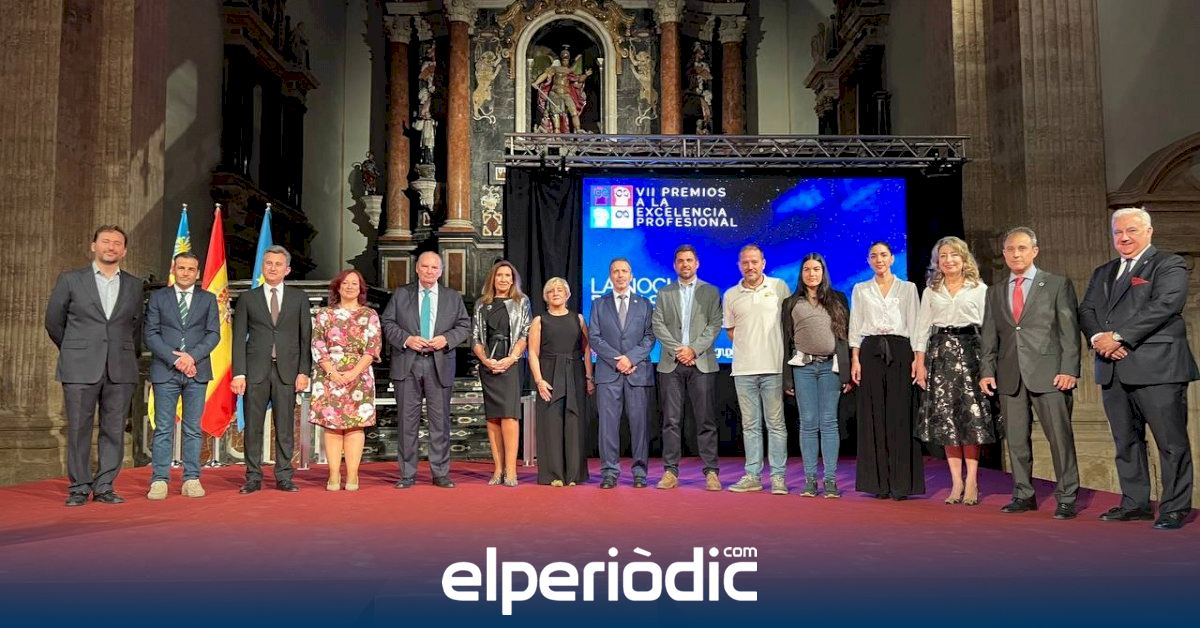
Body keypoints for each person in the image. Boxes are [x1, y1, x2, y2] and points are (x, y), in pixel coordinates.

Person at [1079, 207, 1198, 530]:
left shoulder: (1168, 264)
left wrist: (1118, 337)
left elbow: (1165, 305)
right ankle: (1135, 504)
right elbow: (1086, 310)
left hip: (1157, 368)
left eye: (1131, 230)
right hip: (1112, 368)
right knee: (1126, 442)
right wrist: (1098, 338)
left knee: (1170, 443)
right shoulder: (1103, 271)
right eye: (1118, 232)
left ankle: (1175, 508)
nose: (1124, 237)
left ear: (1148, 232)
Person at [979, 227, 1081, 519]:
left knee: (1059, 439)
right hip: (1010, 375)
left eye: (1022, 248)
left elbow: (1069, 331)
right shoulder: (995, 291)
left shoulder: (1057, 284)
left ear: (1035, 251)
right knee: (1016, 440)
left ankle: (1067, 497)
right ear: (1004, 254)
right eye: (1010, 249)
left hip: (1050, 375)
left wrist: (1069, 369)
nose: (1016, 254)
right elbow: (990, 336)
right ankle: (1023, 494)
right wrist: (987, 370)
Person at [45, 225, 144, 507]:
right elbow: (53, 321)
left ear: (124, 251)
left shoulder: (134, 285)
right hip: (79, 367)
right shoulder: (71, 279)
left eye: (117, 243)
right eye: (105, 241)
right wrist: (75, 349)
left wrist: (124, 352)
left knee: (114, 429)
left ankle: (104, 486)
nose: (111, 247)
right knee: (79, 428)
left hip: (120, 367)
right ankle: (78, 487)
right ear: (93, 246)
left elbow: (137, 325)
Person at [913, 236, 997, 506]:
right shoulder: (931, 290)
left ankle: (971, 481)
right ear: (937, 261)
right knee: (947, 420)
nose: (949, 260)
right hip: (940, 355)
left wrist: (989, 364)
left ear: (964, 259)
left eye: (954, 255)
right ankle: (956, 482)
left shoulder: (978, 288)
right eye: (943, 256)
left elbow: (989, 329)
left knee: (969, 420)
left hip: (971, 352)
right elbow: (922, 329)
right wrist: (919, 363)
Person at [380, 251, 471, 489]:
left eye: (434, 267)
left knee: (439, 422)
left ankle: (440, 473)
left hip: (439, 364)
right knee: (407, 422)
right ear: (417, 268)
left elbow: (464, 326)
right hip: (407, 363)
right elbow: (387, 323)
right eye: (425, 266)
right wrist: (407, 339)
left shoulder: (452, 297)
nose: (430, 271)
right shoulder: (401, 294)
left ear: (441, 271)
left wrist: (447, 339)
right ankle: (407, 474)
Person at [231, 245, 312, 494]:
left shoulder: (299, 298)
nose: (273, 268)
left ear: (287, 269)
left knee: (285, 427)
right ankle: (253, 477)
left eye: (278, 264)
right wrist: (239, 373)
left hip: (287, 371)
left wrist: (304, 371)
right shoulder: (248, 298)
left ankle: (284, 475)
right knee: (253, 427)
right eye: (268, 263)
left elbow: (305, 338)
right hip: (255, 370)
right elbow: (238, 338)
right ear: (262, 267)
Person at [849, 241, 924, 500]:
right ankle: (878, 484)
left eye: (883, 255)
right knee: (874, 417)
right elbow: (855, 325)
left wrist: (917, 358)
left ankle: (901, 484)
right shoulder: (860, 289)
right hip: (870, 352)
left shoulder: (908, 288)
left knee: (899, 416)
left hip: (900, 351)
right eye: (874, 256)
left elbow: (916, 324)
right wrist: (855, 359)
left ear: (892, 259)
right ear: (868, 260)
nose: (879, 260)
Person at [144, 252, 220, 500]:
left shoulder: (208, 299)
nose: (186, 272)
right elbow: (151, 334)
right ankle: (159, 480)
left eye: (191, 269)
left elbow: (213, 334)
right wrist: (176, 359)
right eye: (181, 268)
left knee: (193, 428)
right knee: (163, 428)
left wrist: (191, 358)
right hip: (165, 370)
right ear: (173, 269)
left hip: (197, 371)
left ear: (198, 273)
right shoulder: (158, 297)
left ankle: (191, 478)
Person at [652, 245, 723, 491]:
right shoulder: (664, 293)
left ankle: (711, 472)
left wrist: (693, 350)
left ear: (697, 263)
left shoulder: (711, 291)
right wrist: (679, 351)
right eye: (681, 260)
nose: (685, 264)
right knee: (671, 421)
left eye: (689, 260)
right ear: (675, 265)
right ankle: (670, 471)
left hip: (701, 363)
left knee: (705, 420)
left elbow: (715, 325)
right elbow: (658, 325)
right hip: (671, 365)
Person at [782, 253, 852, 498]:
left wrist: (846, 374)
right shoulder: (791, 303)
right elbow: (785, 341)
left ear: (823, 272)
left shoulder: (838, 299)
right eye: (807, 269)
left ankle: (830, 480)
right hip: (803, 368)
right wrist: (787, 378)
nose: (811, 274)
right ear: (801, 274)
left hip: (830, 368)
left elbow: (845, 338)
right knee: (808, 423)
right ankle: (810, 480)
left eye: (816, 269)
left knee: (829, 422)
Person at [724, 244, 792, 494]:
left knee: (776, 425)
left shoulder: (779, 287)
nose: (750, 266)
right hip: (743, 370)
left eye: (754, 262)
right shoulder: (731, 295)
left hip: (773, 368)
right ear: (739, 265)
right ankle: (752, 475)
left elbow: (789, 324)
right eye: (745, 262)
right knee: (750, 426)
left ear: (763, 263)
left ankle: (778, 477)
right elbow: (731, 331)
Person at [310, 269, 382, 492]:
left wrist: (353, 372)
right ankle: (333, 474)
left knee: (354, 426)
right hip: (328, 374)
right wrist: (332, 372)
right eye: (345, 283)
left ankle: (352, 474)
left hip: (359, 375)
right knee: (332, 426)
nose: (350, 287)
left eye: (354, 284)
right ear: (338, 287)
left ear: (361, 289)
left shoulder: (369, 314)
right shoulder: (324, 314)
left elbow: (372, 348)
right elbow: (317, 345)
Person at [589, 257, 656, 489]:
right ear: (610, 276)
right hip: (608, 373)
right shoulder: (599, 304)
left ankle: (640, 472)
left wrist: (631, 358)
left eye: (624, 271)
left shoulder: (645, 304)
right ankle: (609, 471)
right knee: (608, 426)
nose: (620, 275)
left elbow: (650, 337)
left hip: (638, 373)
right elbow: (594, 337)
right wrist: (617, 360)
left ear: (631, 275)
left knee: (640, 425)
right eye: (615, 271)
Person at [471, 261, 532, 487]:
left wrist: (511, 358)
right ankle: (498, 469)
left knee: (509, 416)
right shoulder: (482, 304)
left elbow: (525, 332)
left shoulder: (521, 301)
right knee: (493, 418)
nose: (504, 279)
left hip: (511, 363)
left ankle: (511, 470)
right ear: (493, 279)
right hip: (488, 364)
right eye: (500, 275)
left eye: (508, 276)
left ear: (513, 280)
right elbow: (475, 337)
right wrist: (485, 360)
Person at [528, 277, 594, 486]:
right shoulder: (539, 321)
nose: (555, 293)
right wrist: (539, 380)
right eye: (551, 291)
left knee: (574, 423)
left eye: (559, 290)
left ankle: (574, 475)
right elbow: (532, 353)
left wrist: (589, 377)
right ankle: (553, 475)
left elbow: (586, 349)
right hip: (549, 375)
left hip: (574, 373)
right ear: (546, 296)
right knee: (551, 423)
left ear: (567, 294)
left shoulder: (579, 319)